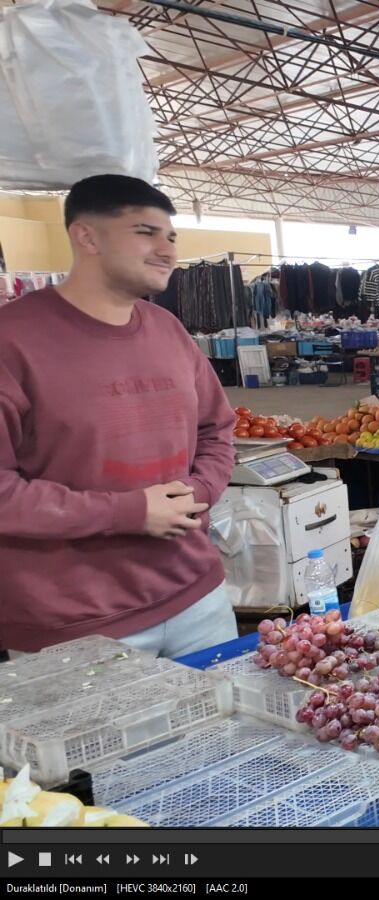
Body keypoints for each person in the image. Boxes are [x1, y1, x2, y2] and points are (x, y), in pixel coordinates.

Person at [0, 174, 238, 656]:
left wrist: (197, 492)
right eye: (145, 232)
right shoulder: (13, 341)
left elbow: (217, 429)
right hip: (75, 624)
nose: (167, 250)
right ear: (86, 236)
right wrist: (128, 512)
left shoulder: (168, 330)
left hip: (198, 596)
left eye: (171, 237)